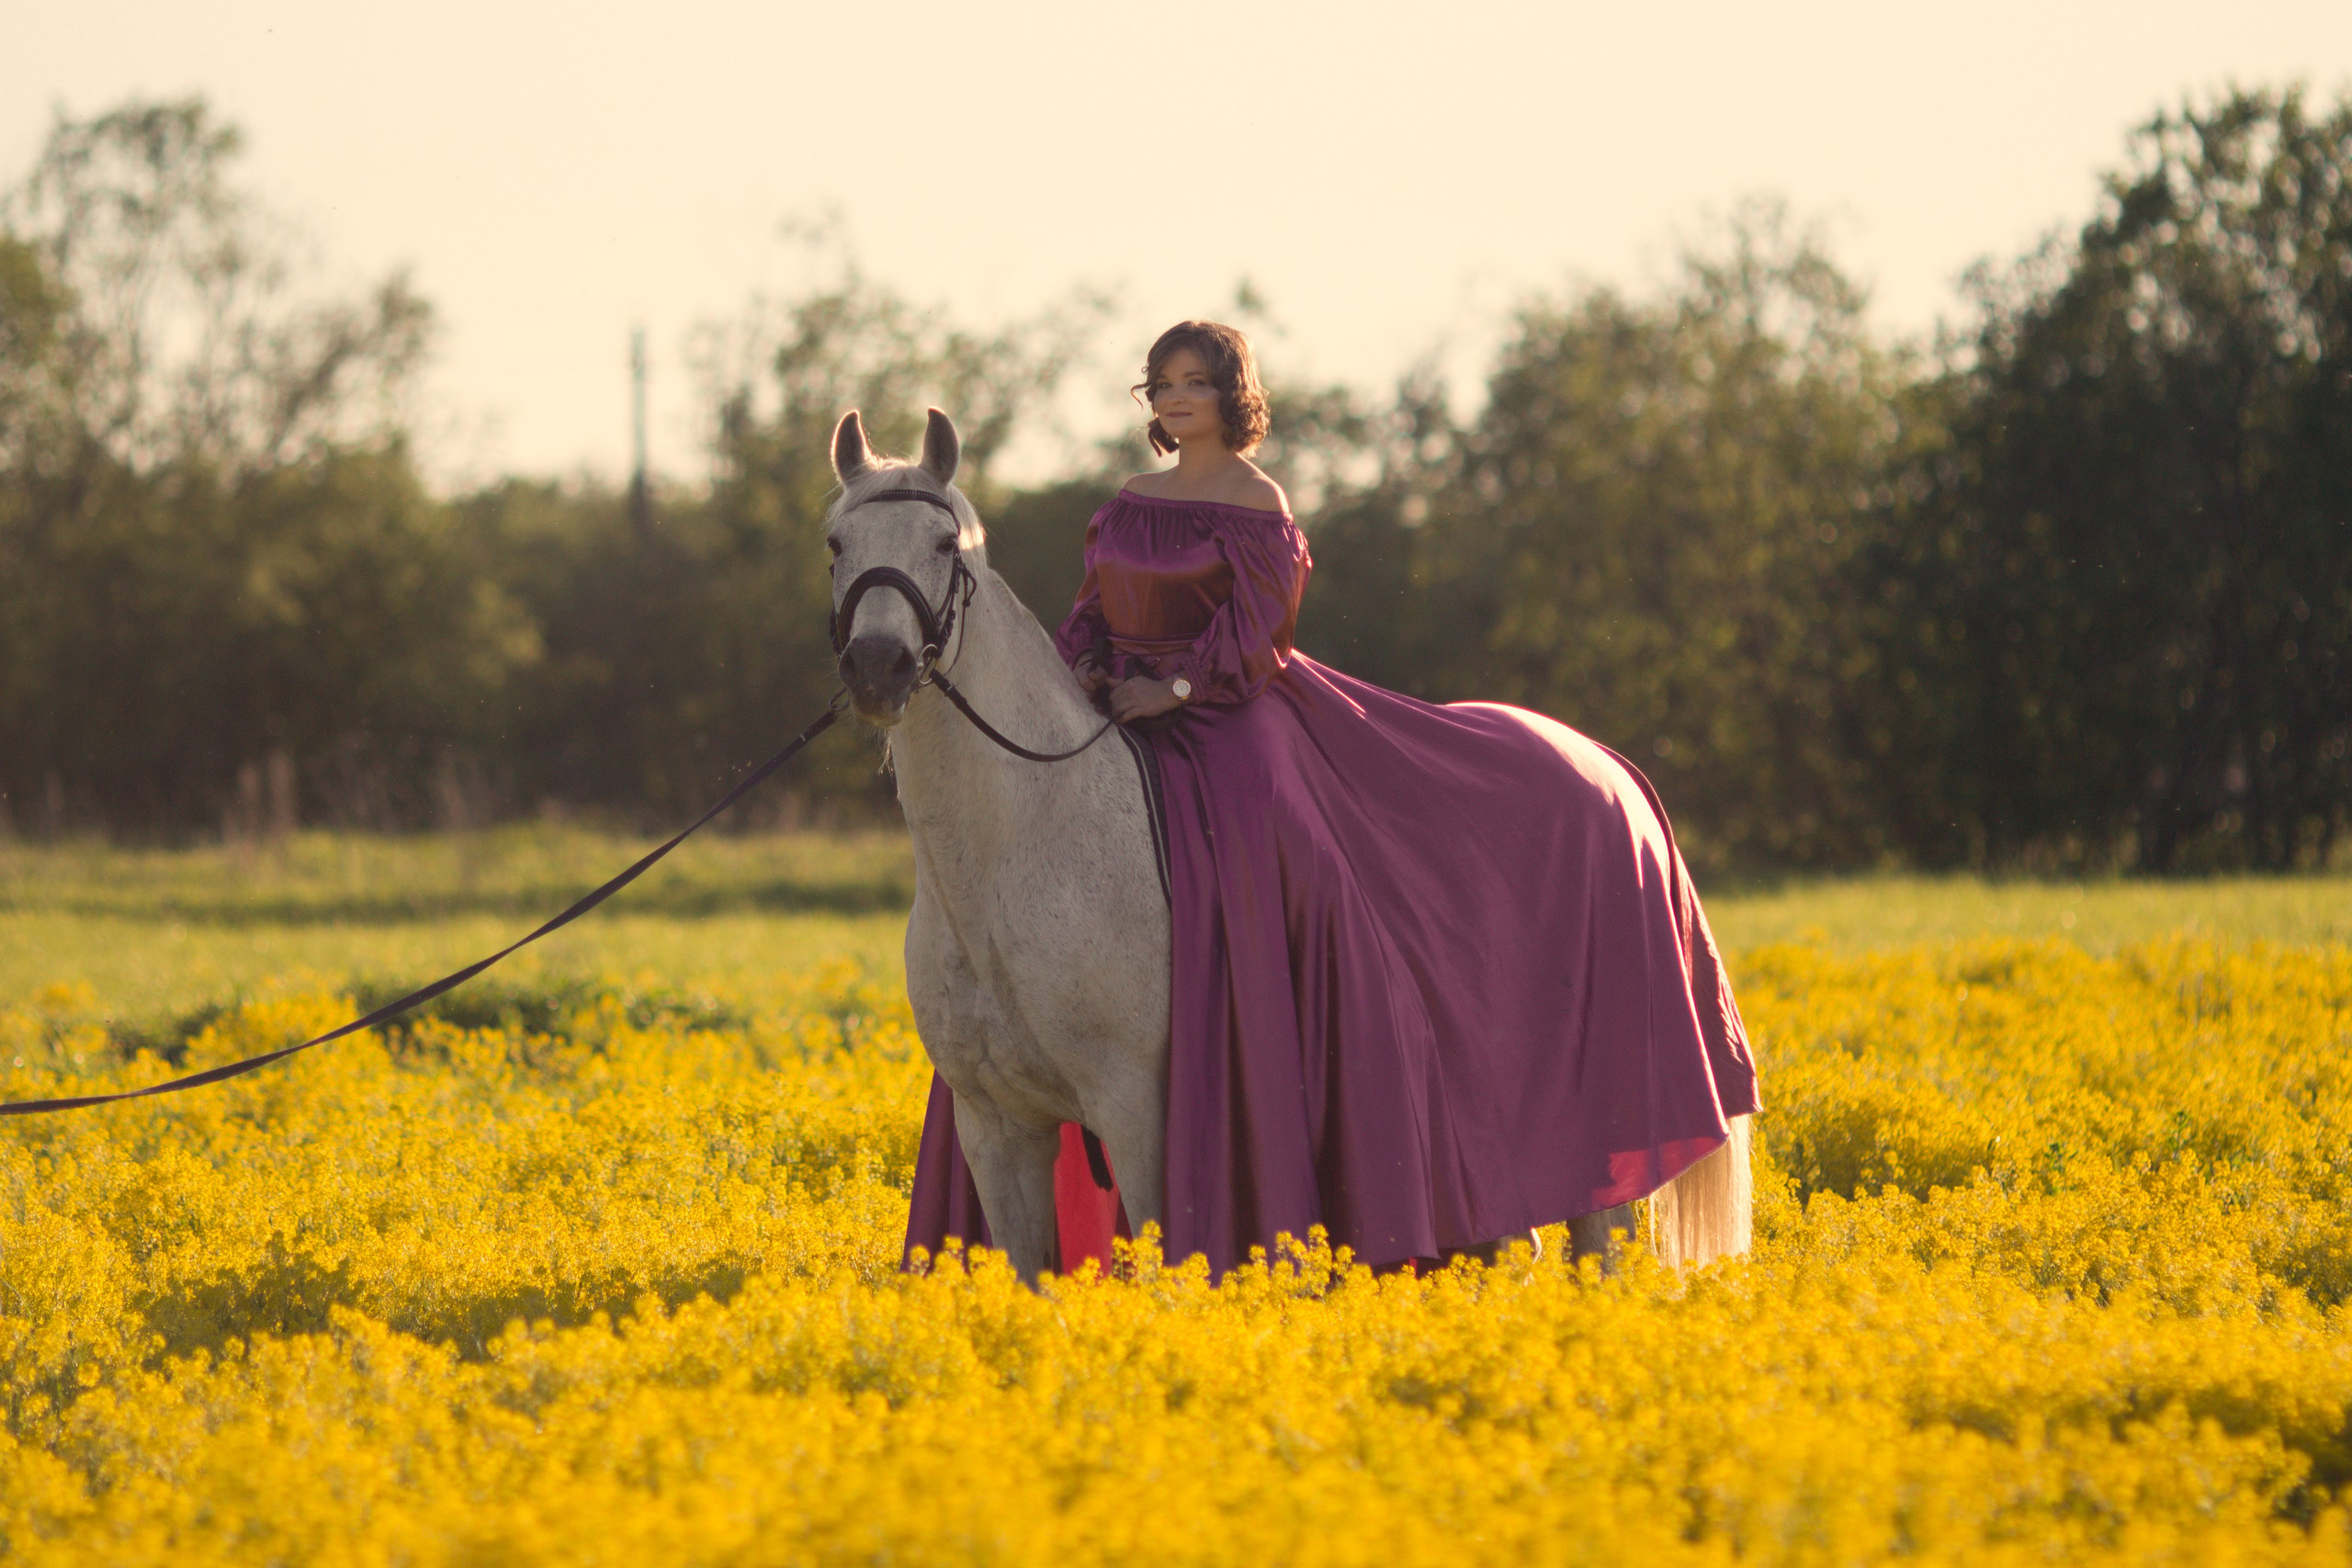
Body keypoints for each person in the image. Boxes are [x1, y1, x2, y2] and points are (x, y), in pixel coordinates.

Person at [907, 320, 1758, 1277]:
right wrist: (1086, 678)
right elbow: (1090, 612)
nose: (1175, 400)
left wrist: (1176, 688)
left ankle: (1308, 1022)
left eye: (1194, 383)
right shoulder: (1127, 504)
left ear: (1232, 395)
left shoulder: (1256, 503)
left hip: (1231, 713)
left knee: (1286, 848)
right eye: (1161, 386)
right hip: (1125, 705)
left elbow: (1262, 631)